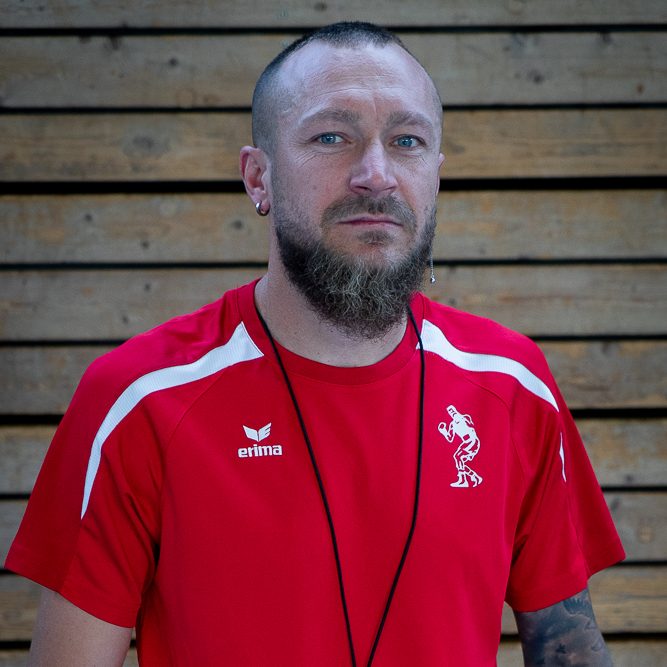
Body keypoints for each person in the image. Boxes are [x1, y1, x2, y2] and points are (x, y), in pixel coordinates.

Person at [6, 22, 625, 666]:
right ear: (258, 178)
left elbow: (570, 651)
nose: (376, 175)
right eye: (331, 137)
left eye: (407, 141)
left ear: (436, 175)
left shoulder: (512, 385)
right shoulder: (138, 401)